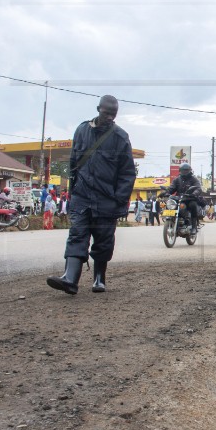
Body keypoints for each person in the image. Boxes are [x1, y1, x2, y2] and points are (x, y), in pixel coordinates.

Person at [46, 94, 135, 295]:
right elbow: (73, 163)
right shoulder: (81, 130)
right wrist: (72, 190)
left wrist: (119, 200)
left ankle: (99, 278)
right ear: (98, 109)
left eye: (113, 114)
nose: (110, 117)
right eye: (106, 113)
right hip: (82, 196)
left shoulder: (121, 137)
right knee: (77, 234)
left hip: (107, 199)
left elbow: (127, 173)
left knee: (104, 240)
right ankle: (70, 279)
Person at [165, 163, 203, 234]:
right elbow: (172, 188)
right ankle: (175, 220)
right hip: (179, 199)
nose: (184, 172)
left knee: (193, 205)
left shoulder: (194, 179)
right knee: (171, 204)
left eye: (186, 170)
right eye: (183, 170)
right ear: (180, 171)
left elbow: (198, 188)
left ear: (190, 171)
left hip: (189, 199)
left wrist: (194, 193)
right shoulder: (177, 179)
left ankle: (194, 227)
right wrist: (166, 192)